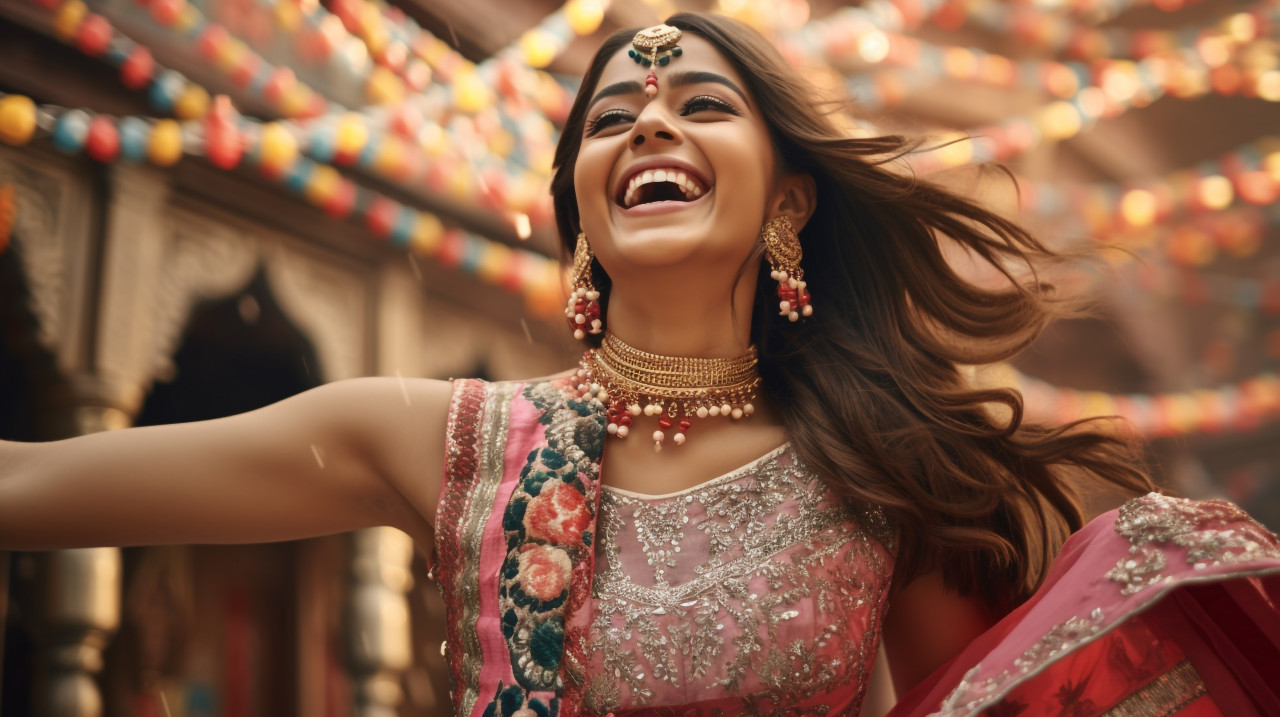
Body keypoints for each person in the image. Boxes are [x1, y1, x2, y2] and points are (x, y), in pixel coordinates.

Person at [2, 11, 1279, 717]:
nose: (649, 119)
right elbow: (38, 486)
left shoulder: (884, 468)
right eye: (611, 117)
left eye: (699, 104)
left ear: (786, 201)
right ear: (583, 213)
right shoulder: (450, 442)